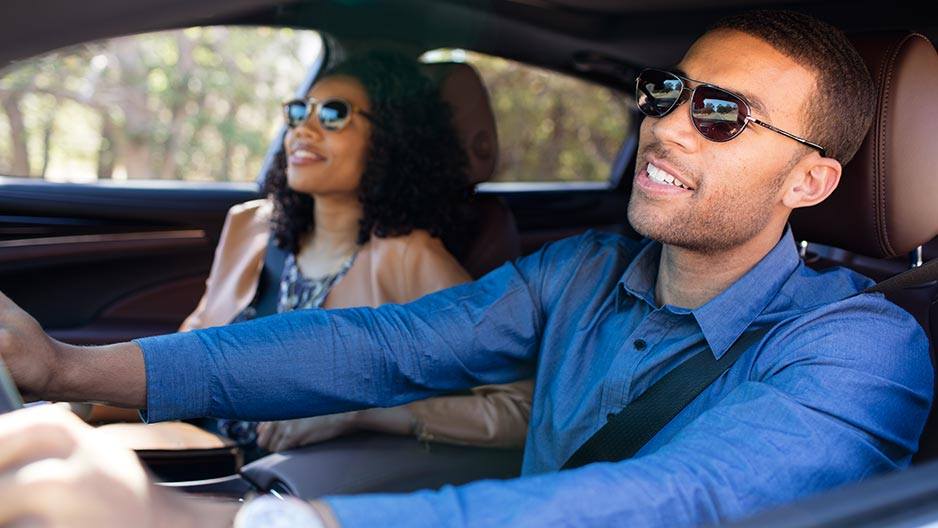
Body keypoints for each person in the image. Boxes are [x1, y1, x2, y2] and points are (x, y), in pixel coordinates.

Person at [0, 9, 931, 528]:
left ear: (810, 180)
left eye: (720, 115)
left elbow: (681, 498)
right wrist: (66, 368)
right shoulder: (583, 272)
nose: (666, 126)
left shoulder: (864, 346)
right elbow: (373, 347)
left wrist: (236, 524)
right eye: (666, 92)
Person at [89, 51, 532, 456]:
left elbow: (518, 410)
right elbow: (189, 351)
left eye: (334, 114)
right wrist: (87, 394)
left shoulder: (412, 258)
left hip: (284, 484)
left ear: (390, 139)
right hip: (199, 451)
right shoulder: (251, 226)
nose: (304, 129)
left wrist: (365, 414)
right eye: (299, 112)